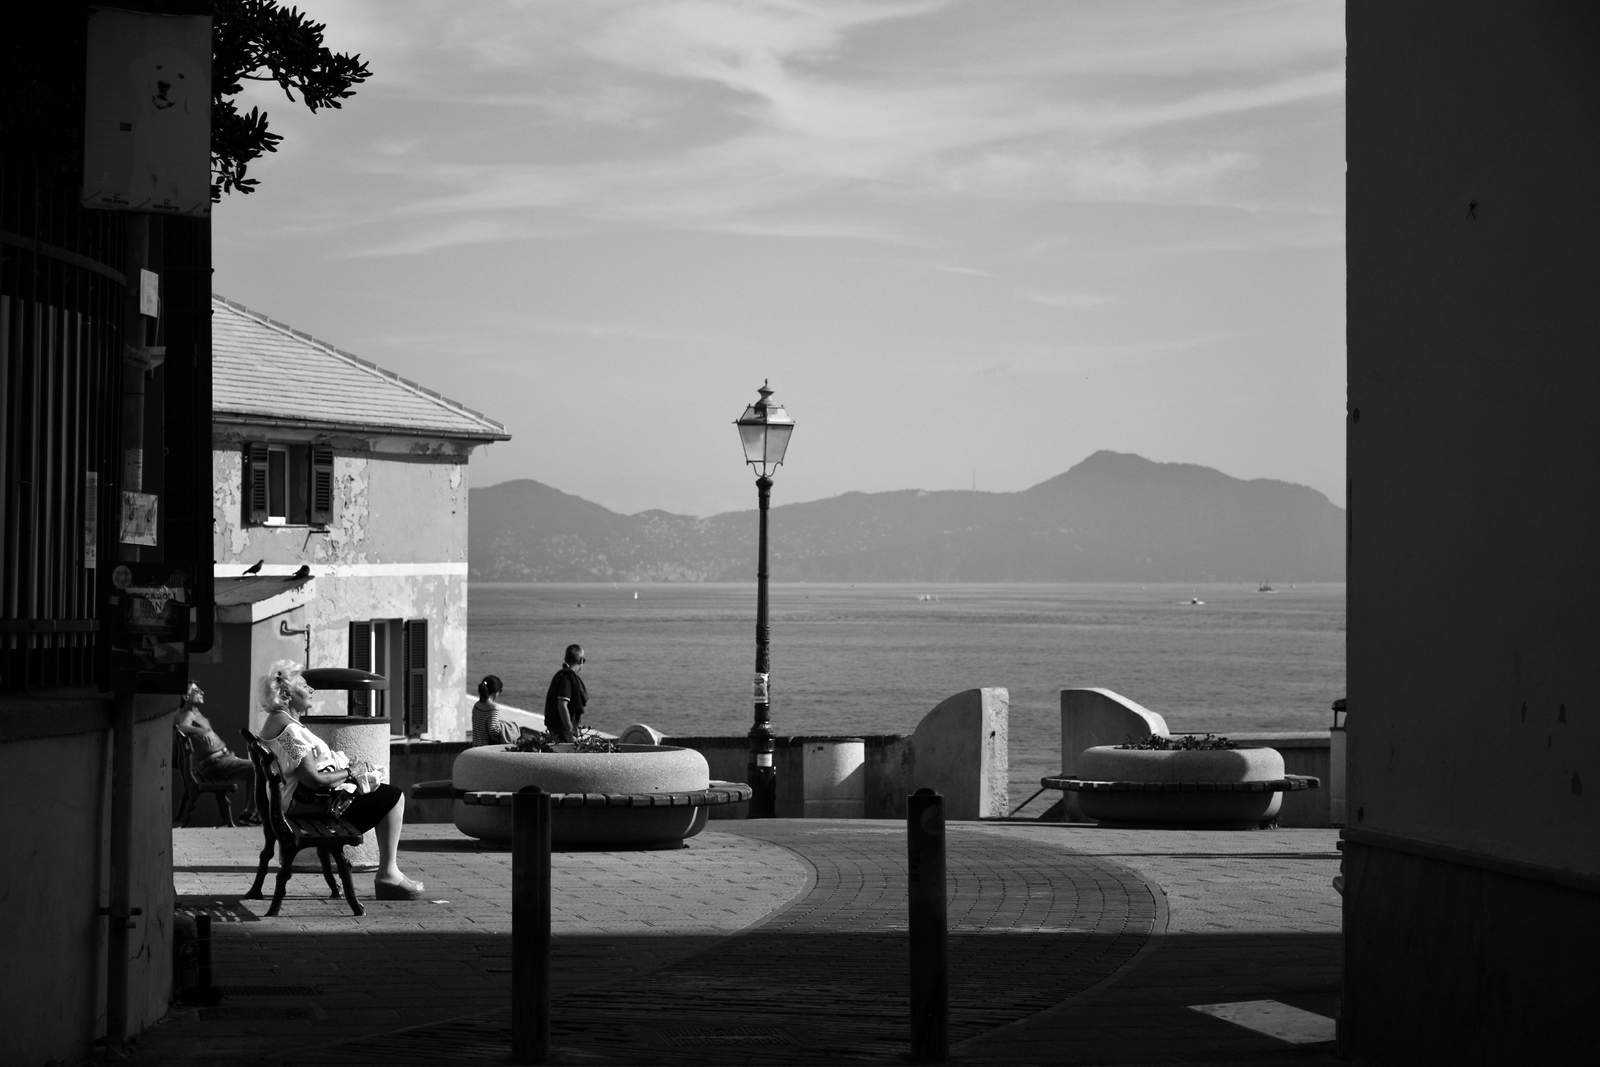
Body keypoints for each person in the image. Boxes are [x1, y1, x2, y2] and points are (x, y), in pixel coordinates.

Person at [256, 660, 424, 901]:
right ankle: (388, 873)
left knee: (383, 794)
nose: (311, 689)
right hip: (307, 808)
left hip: (291, 803)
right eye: (304, 685)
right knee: (393, 796)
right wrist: (351, 773)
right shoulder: (289, 733)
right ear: (286, 694)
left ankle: (390, 872)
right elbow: (314, 780)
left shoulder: (276, 723)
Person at [174, 682, 259, 824]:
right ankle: (250, 813)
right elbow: (181, 728)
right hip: (217, 763)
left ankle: (250, 813)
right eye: (196, 690)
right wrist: (198, 730)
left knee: (256, 768)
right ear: (186, 696)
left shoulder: (195, 713)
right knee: (256, 768)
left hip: (222, 759)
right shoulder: (189, 713)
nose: (202, 692)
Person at [543, 644, 588, 742]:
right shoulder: (566, 678)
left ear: (565, 659)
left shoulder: (562, 676)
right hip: (562, 733)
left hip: (559, 730)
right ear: (581, 660)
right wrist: (570, 731)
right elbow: (562, 705)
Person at [471, 674, 517, 746]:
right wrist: (505, 728)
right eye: (500, 691)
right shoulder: (493, 708)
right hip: (487, 749)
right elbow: (493, 731)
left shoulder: (476, 705)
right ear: (496, 691)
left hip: (475, 746)